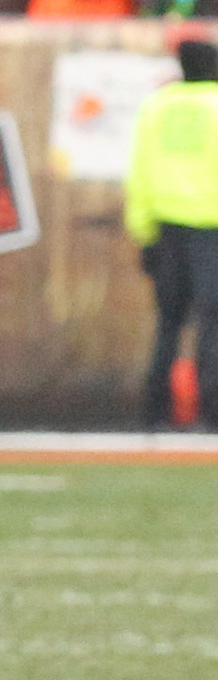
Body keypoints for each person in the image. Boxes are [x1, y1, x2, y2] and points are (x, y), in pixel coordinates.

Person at [123, 38, 218, 430]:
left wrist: (144, 232)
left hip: (166, 232)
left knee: (168, 324)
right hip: (211, 232)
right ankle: (211, 412)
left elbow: (139, 173)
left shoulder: (156, 108)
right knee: (211, 327)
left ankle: (154, 411)